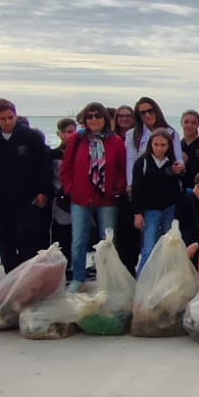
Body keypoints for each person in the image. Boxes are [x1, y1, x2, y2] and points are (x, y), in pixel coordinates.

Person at [0, 98, 53, 272]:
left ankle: (29, 276)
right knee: (6, 239)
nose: (7, 122)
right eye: (3, 119)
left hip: (28, 198)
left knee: (29, 238)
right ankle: (11, 275)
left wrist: (43, 192)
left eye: (10, 117)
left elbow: (43, 166)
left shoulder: (31, 137)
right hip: (0, 200)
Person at [59, 102, 127, 293]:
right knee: (78, 240)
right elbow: (66, 167)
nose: (94, 119)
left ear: (105, 118)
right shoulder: (76, 139)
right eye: (90, 116)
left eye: (98, 116)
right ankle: (78, 278)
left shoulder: (115, 141)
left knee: (107, 241)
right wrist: (70, 188)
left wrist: (117, 188)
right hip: (80, 197)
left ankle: (107, 279)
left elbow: (122, 168)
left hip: (106, 198)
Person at [132, 128, 184, 274]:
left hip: (170, 209)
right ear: (150, 144)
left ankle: (167, 278)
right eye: (156, 144)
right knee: (149, 248)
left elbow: (178, 188)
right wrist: (137, 213)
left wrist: (180, 173)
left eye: (163, 145)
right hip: (150, 210)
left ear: (168, 146)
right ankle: (143, 280)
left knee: (170, 245)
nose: (159, 148)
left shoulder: (172, 163)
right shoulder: (142, 163)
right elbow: (136, 190)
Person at [49, 117, 77, 256]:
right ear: (58, 134)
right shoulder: (53, 154)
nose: (67, 135)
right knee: (61, 233)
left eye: (71, 131)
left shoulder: (82, 152)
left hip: (79, 197)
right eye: (64, 132)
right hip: (60, 198)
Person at [178, 110, 199, 191]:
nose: (189, 125)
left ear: (198, 124)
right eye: (186, 122)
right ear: (181, 123)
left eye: (193, 123)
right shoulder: (178, 146)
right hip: (183, 189)